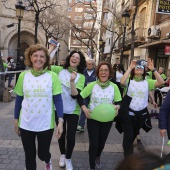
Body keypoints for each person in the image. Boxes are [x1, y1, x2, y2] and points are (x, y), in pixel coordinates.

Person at [13, 44, 64, 170]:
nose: (38, 59)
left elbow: (58, 100)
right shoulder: (23, 76)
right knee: (29, 156)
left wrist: (60, 121)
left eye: (42, 56)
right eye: (35, 55)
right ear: (30, 58)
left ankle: (47, 160)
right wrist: (15, 120)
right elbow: (19, 99)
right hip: (26, 123)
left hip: (45, 124)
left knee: (42, 153)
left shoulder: (52, 76)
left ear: (46, 59)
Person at [49, 45, 86, 170]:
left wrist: (72, 82)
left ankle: (69, 158)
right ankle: (63, 155)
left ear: (80, 62)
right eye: (73, 56)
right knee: (61, 133)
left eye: (77, 58)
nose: (74, 58)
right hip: (58, 109)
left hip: (73, 110)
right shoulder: (59, 70)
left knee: (70, 137)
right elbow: (46, 64)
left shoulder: (81, 77)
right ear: (69, 58)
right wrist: (51, 49)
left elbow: (75, 95)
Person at [80, 62, 122, 170]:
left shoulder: (114, 87)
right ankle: (92, 167)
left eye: (106, 70)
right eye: (101, 70)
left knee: (101, 143)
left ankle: (98, 156)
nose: (103, 72)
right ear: (98, 72)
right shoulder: (92, 85)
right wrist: (84, 109)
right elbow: (80, 97)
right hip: (93, 118)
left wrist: (118, 107)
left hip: (107, 119)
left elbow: (119, 102)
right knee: (93, 144)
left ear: (109, 73)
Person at [120, 58, 164, 157]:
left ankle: (127, 148)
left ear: (144, 70)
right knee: (129, 136)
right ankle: (128, 158)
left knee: (133, 135)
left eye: (141, 67)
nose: (139, 68)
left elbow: (161, 82)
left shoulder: (147, 82)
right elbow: (122, 82)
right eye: (137, 67)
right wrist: (130, 67)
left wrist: (153, 69)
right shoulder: (129, 81)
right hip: (128, 114)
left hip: (141, 115)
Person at [77, 58, 97, 132]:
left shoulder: (96, 73)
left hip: (94, 94)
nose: (90, 65)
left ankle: (94, 123)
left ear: (93, 65)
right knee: (84, 109)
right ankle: (81, 125)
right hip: (85, 94)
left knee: (94, 109)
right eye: (88, 64)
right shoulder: (83, 72)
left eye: (91, 64)